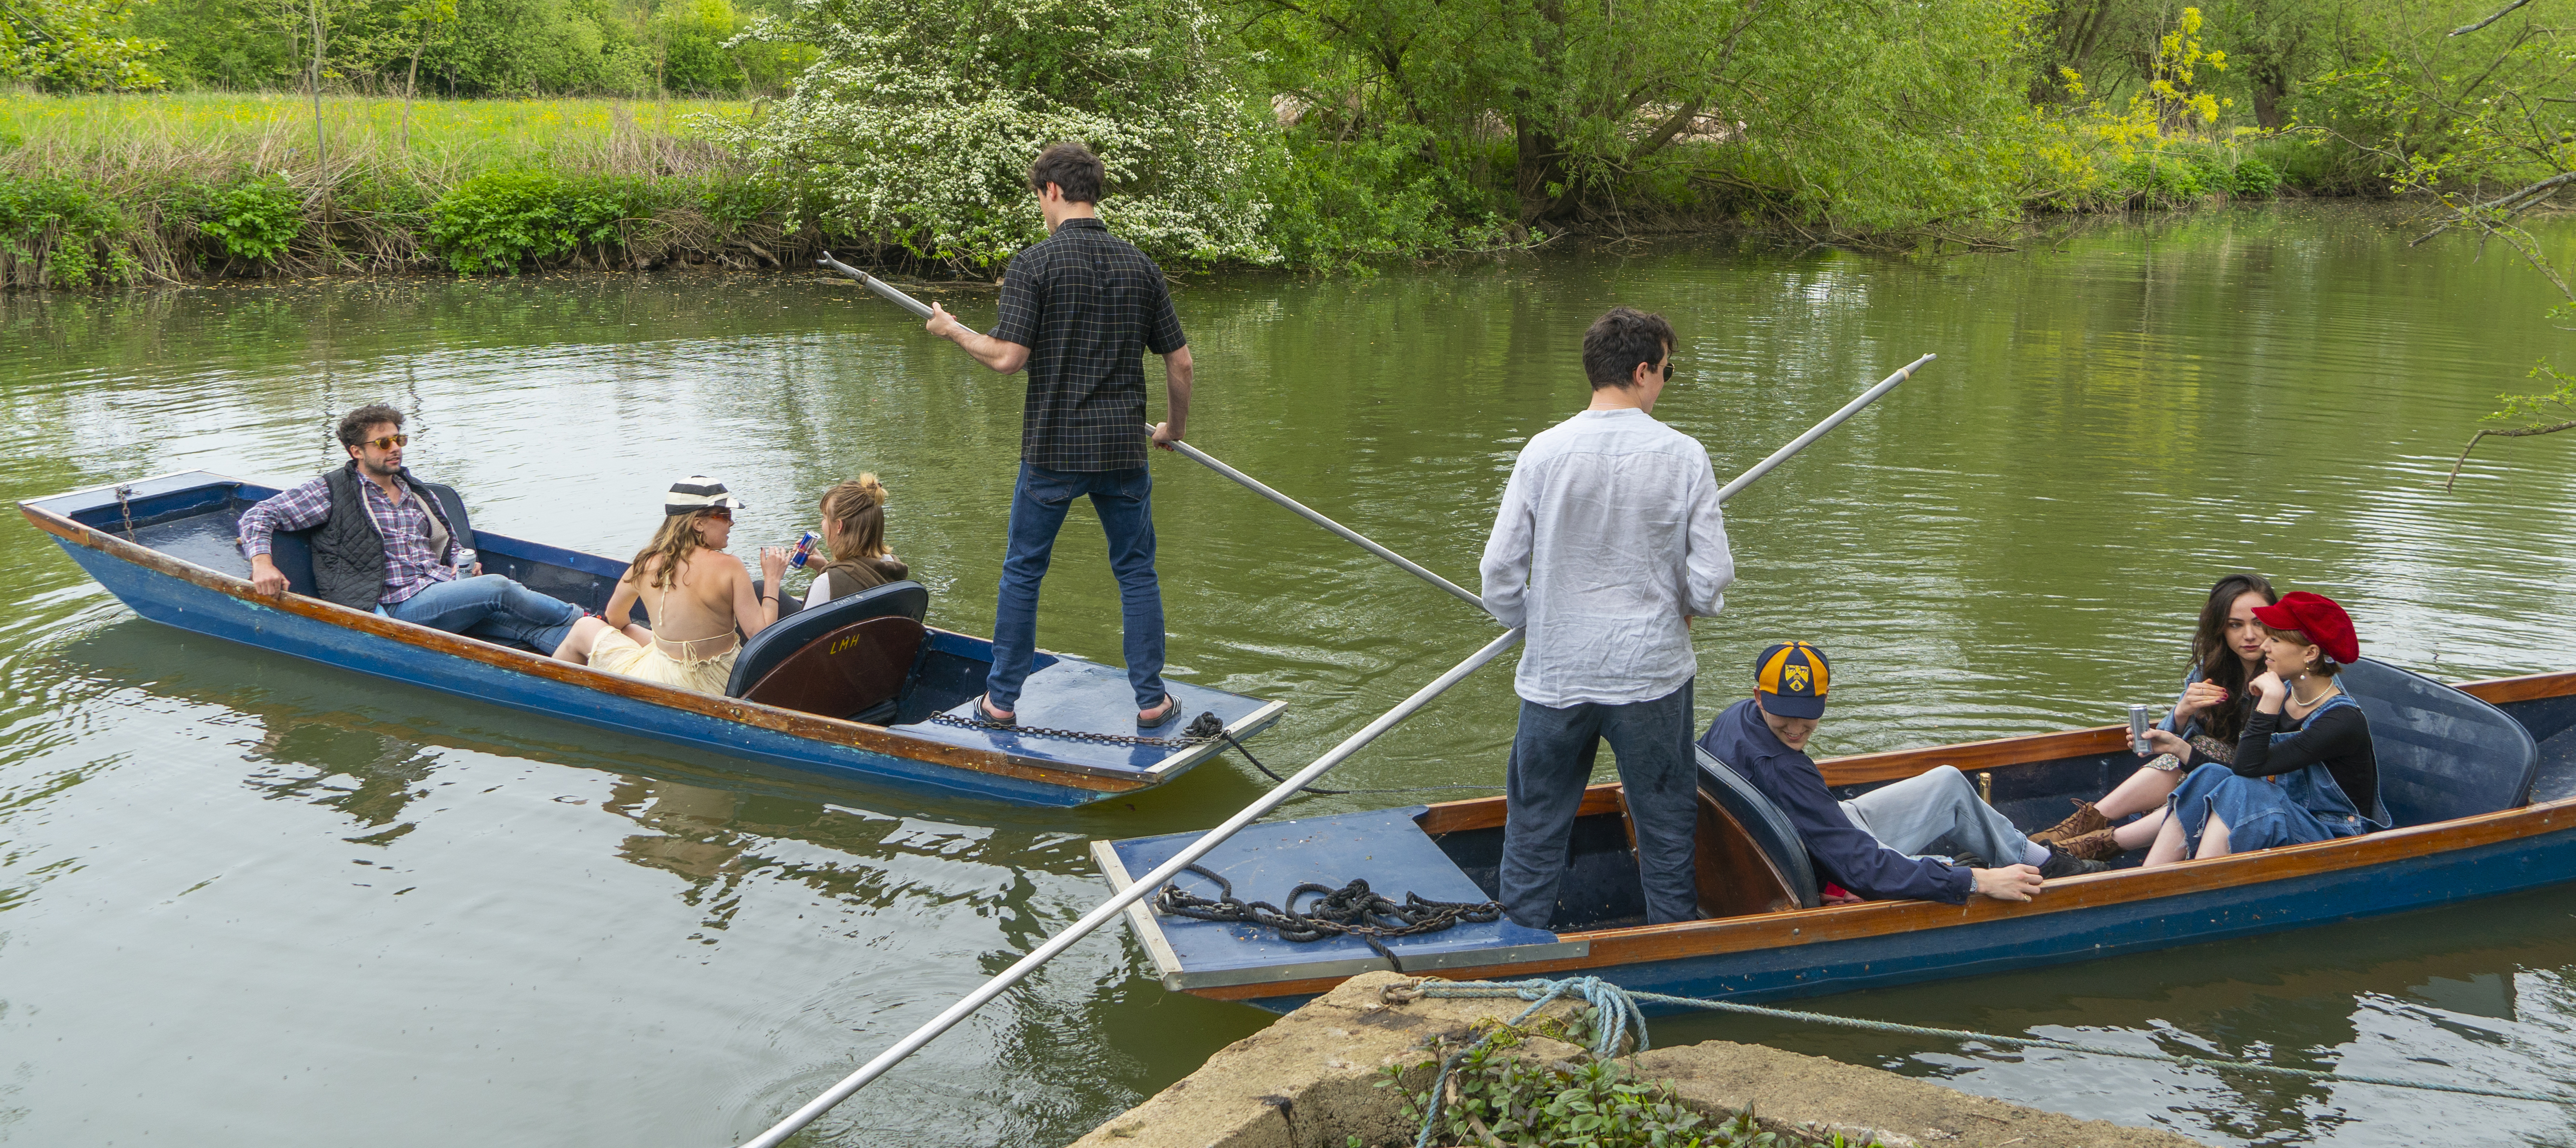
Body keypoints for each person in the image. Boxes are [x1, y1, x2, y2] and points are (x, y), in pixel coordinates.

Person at [1478, 306, 1733, 929]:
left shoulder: (1543, 451)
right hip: (1651, 675)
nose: (1666, 384)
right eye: (1668, 372)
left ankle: (1519, 953)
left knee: (1534, 827)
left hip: (1557, 674)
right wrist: (1691, 608)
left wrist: (1536, 620)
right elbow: (1713, 575)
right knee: (1666, 826)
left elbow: (1498, 575)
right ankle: (1671, 947)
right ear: (1643, 371)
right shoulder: (1683, 454)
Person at [923, 140, 1193, 730]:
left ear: (1051, 191)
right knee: (1136, 571)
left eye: (1037, 197)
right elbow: (1182, 364)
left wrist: (953, 331)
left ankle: (1000, 703)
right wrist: (1174, 428)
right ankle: (1151, 701)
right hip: (1124, 450)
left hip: (1053, 449)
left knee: (1024, 570)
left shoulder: (1035, 264)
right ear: (1092, 191)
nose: (1040, 208)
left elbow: (1007, 359)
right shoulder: (1140, 266)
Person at [1700, 641, 2093, 906]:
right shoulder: (1785, 770)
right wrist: (1978, 881)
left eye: (1807, 714)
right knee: (1942, 863)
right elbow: (1864, 869)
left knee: (1949, 782)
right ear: (1758, 695)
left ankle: (2035, 858)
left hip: (1807, 835)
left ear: (1824, 699)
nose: (1796, 728)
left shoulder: (1736, 719)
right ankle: (2034, 869)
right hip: (1828, 859)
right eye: (1784, 714)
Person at [235, 403, 616, 664]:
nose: (395, 448)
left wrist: (461, 567)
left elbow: (449, 542)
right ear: (356, 450)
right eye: (383, 443)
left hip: (440, 589)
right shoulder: (332, 490)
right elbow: (260, 515)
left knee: (523, 625)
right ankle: (590, 617)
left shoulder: (418, 491)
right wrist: (262, 563)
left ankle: (612, 659)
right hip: (396, 608)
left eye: (399, 439)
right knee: (499, 589)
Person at [2031, 573, 2280, 859]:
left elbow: (2273, 762)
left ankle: (2084, 844)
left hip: (2253, 785)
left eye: (2259, 623)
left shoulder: (2284, 676)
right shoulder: (2211, 672)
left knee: (2201, 753)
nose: (2249, 635)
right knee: (2192, 753)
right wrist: (2183, 713)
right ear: (2220, 630)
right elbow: (2155, 747)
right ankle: (2079, 827)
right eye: (2235, 625)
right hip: (2206, 772)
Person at [2137, 591, 2386, 865]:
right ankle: (2147, 877)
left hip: (2335, 839)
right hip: (2286, 816)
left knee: (2241, 788)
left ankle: (2199, 882)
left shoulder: (2341, 721)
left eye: (2275, 639)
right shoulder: (2289, 697)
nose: (2265, 646)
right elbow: (2244, 769)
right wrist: (2178, 746)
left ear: (2311, 653)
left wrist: (2268, 701)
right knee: (2210, 775)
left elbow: (2247, 769)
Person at [588, 477, 791, 695]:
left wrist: (663, 644)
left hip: (661, 677)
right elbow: (759, 634)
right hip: (721, 682)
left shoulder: (645, 564)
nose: (731, 523)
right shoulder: (730, 566)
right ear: (698, 523)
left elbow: (615, 617)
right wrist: (772, 580)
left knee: (584, 627)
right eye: (725, 516)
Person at [804, 474, 912, 608]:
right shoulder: (891, 566)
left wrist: (772, 582)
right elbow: (859, 578)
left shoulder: (825, 585)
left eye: (825, 517)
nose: (822, 524)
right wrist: (825, 567)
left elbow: (798, 629)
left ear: (839, 526)